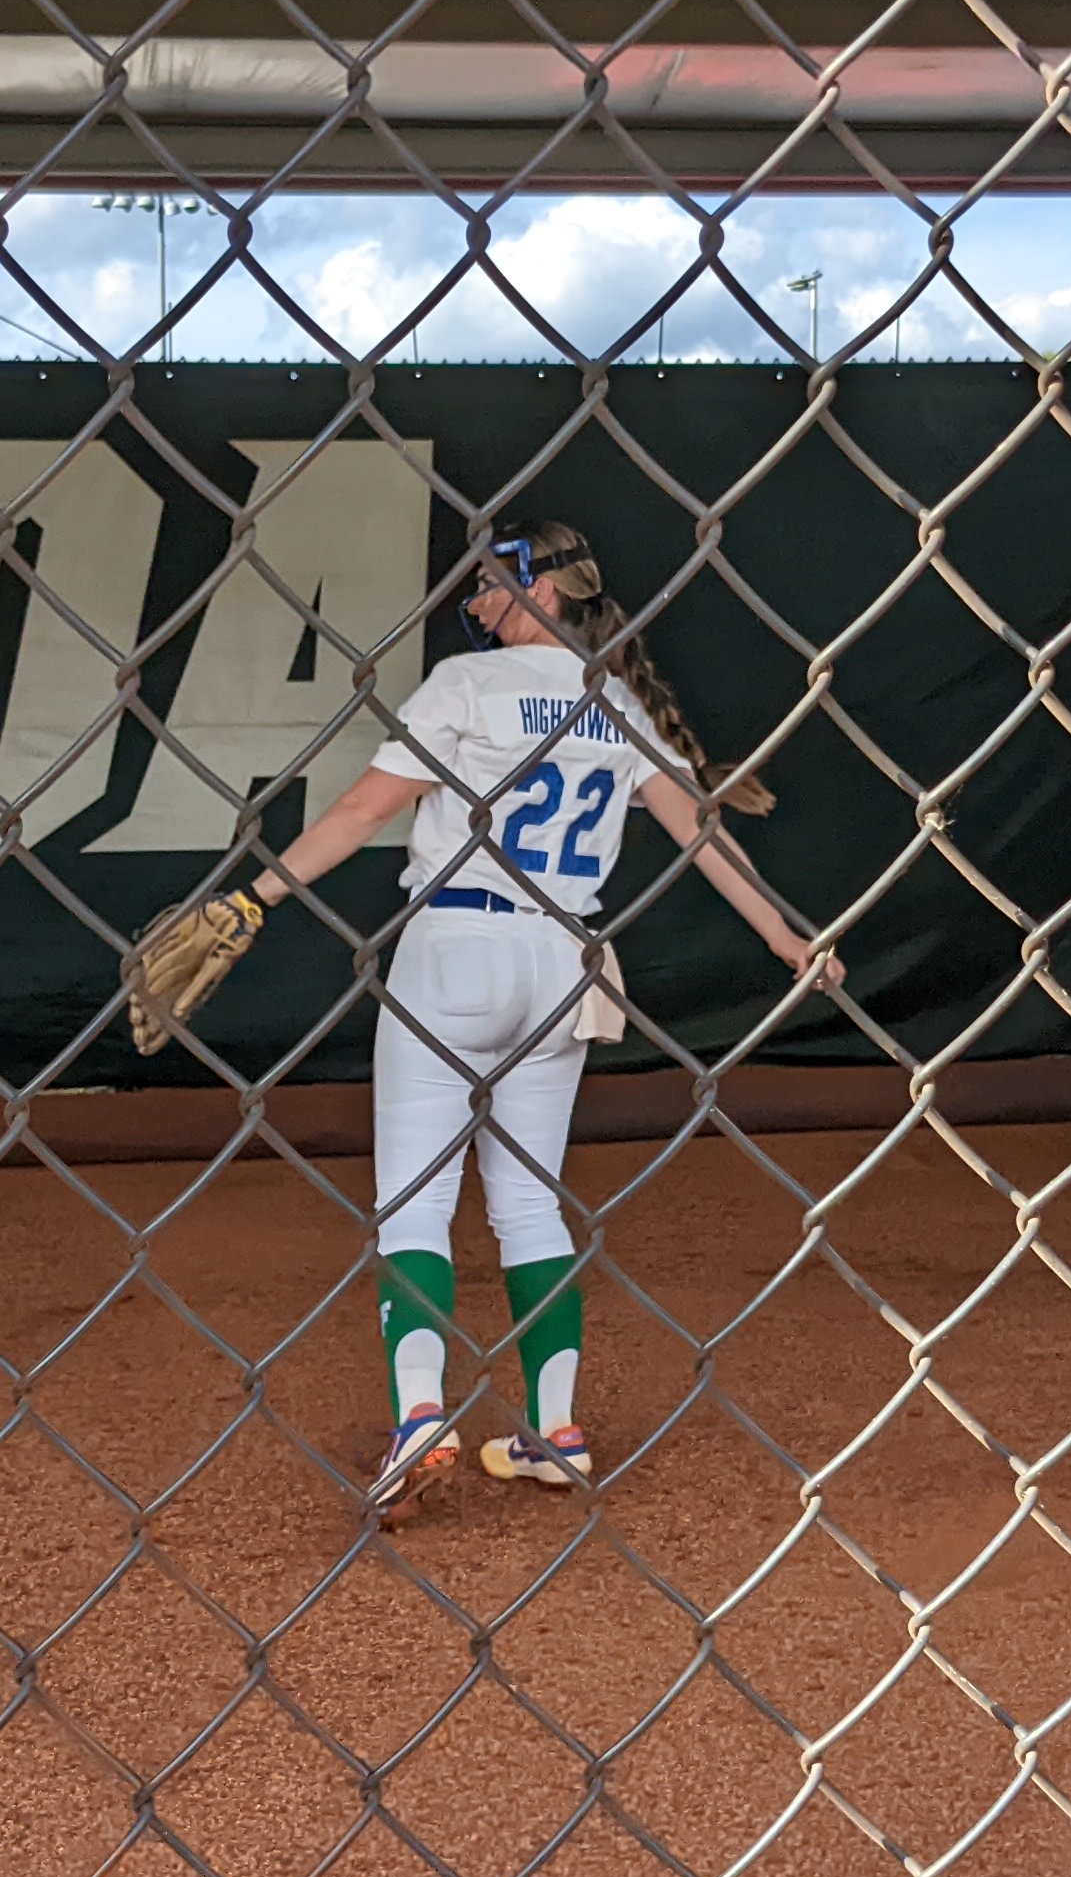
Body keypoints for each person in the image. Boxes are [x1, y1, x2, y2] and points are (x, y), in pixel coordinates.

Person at [230, 519, 839, 1521]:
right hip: (564, 961)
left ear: (544, 591)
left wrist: (255, 896)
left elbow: (361, 811)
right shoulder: (614, 700)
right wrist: (785, 937)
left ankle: (420, 1414)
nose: (475, 602)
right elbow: (701, 836)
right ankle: (555, 1432)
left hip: (454, 945)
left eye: (491, 584)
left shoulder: (467, 686)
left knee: (415, 1202)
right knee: (527, 1205)